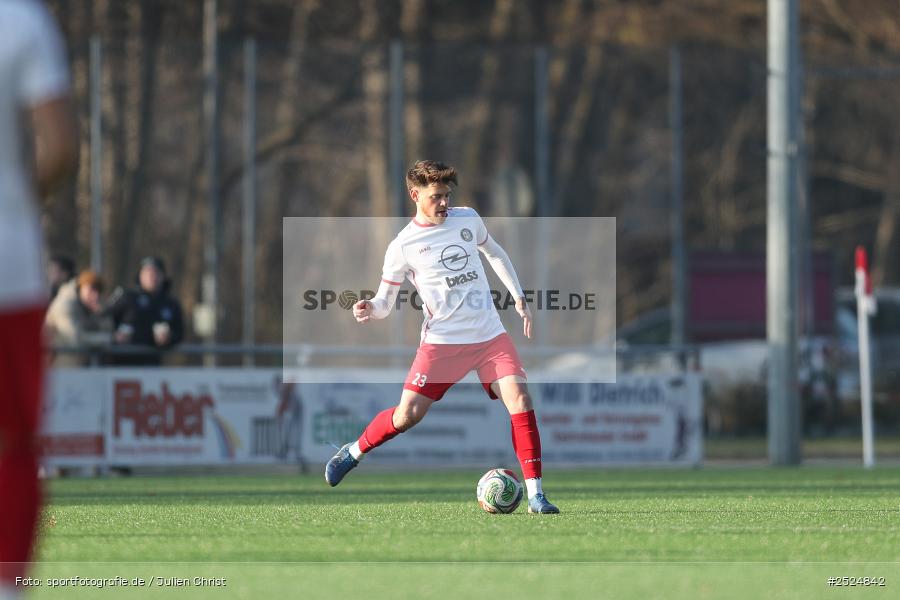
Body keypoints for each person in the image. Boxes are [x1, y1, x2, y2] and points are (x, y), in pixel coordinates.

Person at [325, 160, 559, 514]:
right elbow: (385, 302)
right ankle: (353, 451)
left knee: (521, 401)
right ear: (415, 195)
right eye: (436, 197)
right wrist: (369, 308)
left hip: (489, 337)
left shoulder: (467, 219)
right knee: (407, 416)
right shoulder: (403, 245)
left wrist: (518, 296)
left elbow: (494, 252)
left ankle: (536, 496)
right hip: (442, 344)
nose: (444, 203)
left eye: (447, 195)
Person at [0, 1, 78, 596]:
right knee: (11, 442)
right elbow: (59, 146)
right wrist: (22, 208)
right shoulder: (20, 21)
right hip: (9, 269)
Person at [107, 256, 185, 366]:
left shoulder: (170, 304)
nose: (151, 277)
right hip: (121, 364)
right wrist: (114, 336)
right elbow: (104, 319)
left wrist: (168, 338)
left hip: (151, 366)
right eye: (147, 272)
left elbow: (179, 332)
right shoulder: (126, 297)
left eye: (156, 273)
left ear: (163, 276)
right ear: (140, 275)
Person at [44, 270, 113, 366]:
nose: (95, 295)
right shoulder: (64, 305)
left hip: (81, 367)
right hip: (61, 367)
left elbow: (107, 330)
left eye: (98, 291)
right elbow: (74, 340)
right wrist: (108, 339)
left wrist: (100, 314)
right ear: (81, 287)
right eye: (91, 289)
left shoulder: (88, 306)